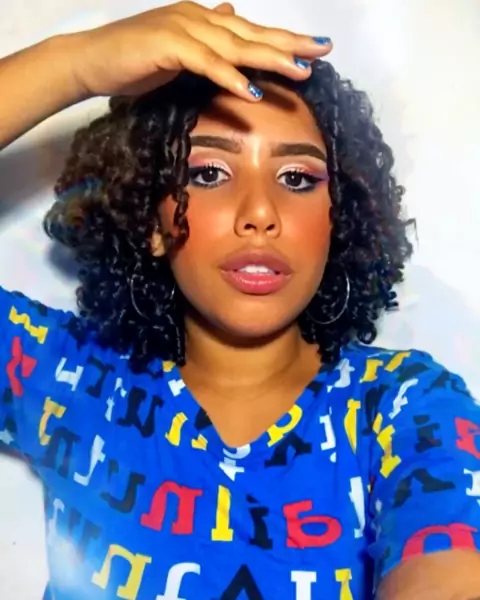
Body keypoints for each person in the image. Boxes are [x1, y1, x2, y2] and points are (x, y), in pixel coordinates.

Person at [1, 2, 479, 599]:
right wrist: (75, 64)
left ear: (337, 221)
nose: (259, 213)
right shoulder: (70, 377)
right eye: (209, 174)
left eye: (297, 178)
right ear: (151, 220)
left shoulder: (404, 406)